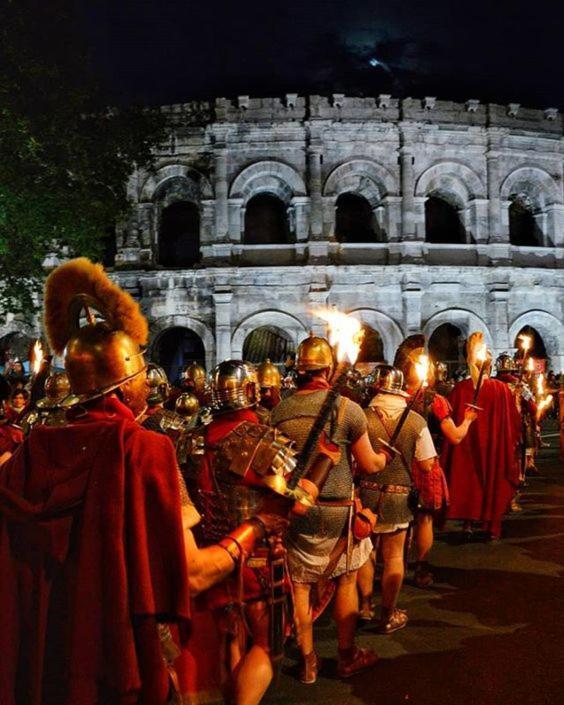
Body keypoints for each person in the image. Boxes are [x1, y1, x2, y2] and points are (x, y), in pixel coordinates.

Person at [0, 258, 283, 705]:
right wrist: (261, 525)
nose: (146, 388)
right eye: (137, 379)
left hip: (48, 651)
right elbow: (189, 576)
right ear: (119, 389)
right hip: (118, 652)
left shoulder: (27, 451)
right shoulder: (145, 450)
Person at [271, 334, 390, 683]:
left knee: (302, 588)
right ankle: (346, 655)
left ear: (298, 371)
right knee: (346, 581)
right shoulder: (347, 409)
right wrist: (383, 459)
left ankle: (308, 662)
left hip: (297, 511)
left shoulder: (279, 411)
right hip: (338, 513)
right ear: (327, 369)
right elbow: (368, 464)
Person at [192, 359, 300, 705]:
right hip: (256, 557)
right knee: (269, 645)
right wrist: (308, 488)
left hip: (211, 554)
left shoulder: (190, 438)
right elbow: (290, 503)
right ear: (251, 391)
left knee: (229, 640)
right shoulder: (263, 439)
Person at [357, 365, 437, 630]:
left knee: (365, 554)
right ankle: (387, 614)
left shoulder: (360, 417)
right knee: (393, 557)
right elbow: (427, 465)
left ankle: (365, 607)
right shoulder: (416, 421)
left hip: (365, 493)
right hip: (398, 496)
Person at [393, 336, 478, 587]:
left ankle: (392, 567)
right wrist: (469, 420)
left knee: (395, 524)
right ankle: (420, 568)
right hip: (424, 466)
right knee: (424, 519)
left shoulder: (392, 397)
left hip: (394, 466)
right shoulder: (436, 401)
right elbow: (454, 437)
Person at [441, 333, 521, 541]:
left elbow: (445, 416)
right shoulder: (502, 390)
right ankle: (489, 523)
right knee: (489, 478)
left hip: (465, 445)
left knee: (468, 479)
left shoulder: (459, 389)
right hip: (492, 446)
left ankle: (467, 522)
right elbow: (514, 420)